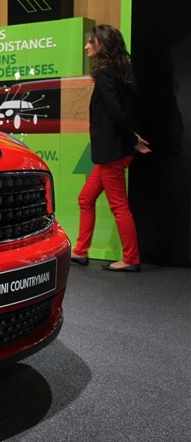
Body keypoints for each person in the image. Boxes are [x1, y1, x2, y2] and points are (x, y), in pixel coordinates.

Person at [70, 24, 151, 272]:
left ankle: (131, 258)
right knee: (85, 198)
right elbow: (126, 111)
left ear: (102, 45)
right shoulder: (117, 71)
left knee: (119, 206)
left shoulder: (105, 73)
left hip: (112, 152)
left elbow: (115, 113)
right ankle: (80, 251)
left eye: (91, 42)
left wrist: (132, 139)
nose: (86, 46)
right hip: (114, 151)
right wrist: (132, 138)